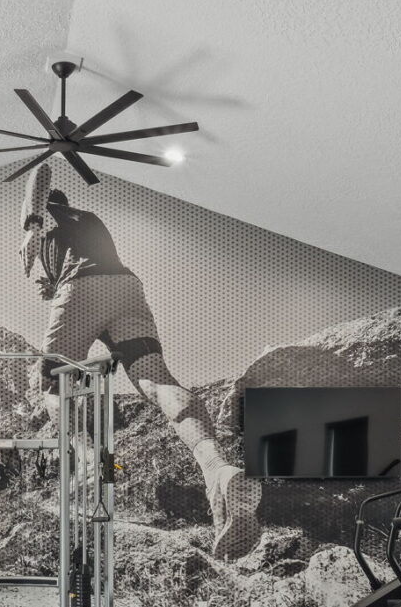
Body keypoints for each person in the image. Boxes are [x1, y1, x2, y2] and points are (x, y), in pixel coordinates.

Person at [18, 162, 260, 558]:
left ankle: (89, 460)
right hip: (126, 289)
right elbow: (60, 276)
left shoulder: (45, 219)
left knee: (51, 385)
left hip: (81, 289)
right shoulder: (88, 220)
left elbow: (41, 172)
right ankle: (216, 469)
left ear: (46, 211)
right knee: (157, 381)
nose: (38, 281)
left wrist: (30, 225)